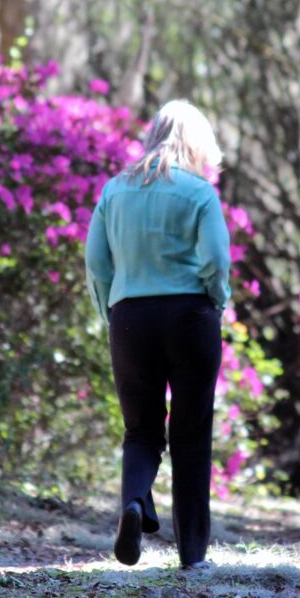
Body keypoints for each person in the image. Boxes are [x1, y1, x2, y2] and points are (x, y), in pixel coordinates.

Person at [85, 99, 231, 571]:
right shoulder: (198, 192)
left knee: (141, 430)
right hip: (190, 315)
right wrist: (217, 299)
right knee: (191, 435)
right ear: (196, 143)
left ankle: (134, 503)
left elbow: (96, 262)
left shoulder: (114, 191)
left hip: (130, 317)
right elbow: (216, 259)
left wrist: (111, 308)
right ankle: (193, 555)